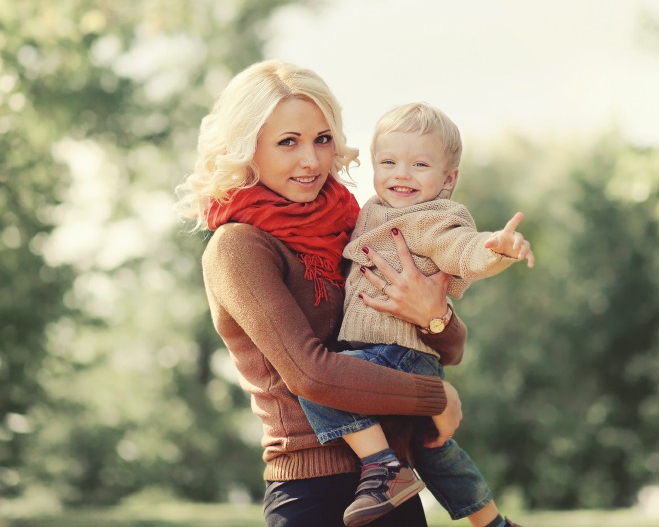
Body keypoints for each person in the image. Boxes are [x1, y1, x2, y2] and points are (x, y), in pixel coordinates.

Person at [174, 60, 469, 527]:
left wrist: (435, 317)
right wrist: (436, 397)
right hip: (311, 492)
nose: (311, 160)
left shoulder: (355, 228)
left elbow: (450, 348)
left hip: (392, 485)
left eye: (322, 139)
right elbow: (312, 375)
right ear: (248, 148)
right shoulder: (238, 247)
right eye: (287, 142)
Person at [298, 102, 532, 527]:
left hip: (397, 353)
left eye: (419, 164)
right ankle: (493, 522)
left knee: (319, 384)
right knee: (433, 446)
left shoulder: (433, 217)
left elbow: (461, 249)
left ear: (448, 179)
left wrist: (496, 249)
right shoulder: (373, 210)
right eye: (388, 161)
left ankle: (384, 469)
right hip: (404, 356)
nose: (401, 174)